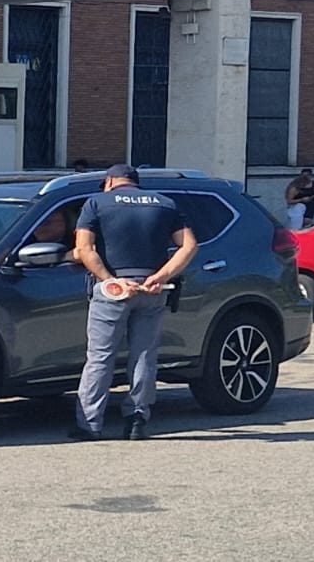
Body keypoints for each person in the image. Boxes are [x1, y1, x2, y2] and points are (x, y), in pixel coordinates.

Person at [70, 164, 197, 442]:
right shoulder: (165, 203)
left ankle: (90, 424)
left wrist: (108, 280)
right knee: (144, 355)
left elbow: (83, 249)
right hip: (153, 289)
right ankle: (137, 419)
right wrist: (160, 276)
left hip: (112, 290)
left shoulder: (96, 203)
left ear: (110, 181)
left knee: (101, 357)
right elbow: (189, 246)